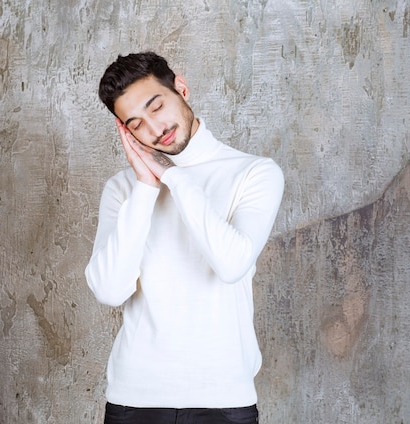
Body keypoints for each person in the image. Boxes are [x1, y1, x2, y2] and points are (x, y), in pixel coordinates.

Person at [85, 51, 284, 424]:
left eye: (156, 106)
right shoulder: (122, 190)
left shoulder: (254, 173)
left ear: (181, 87)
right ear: (126, 132)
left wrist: (172, 176)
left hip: (224, 400)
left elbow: (231, 263)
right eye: (136, 123)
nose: (155, 128)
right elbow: (110, 290)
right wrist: (146, 187)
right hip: (134, 400)